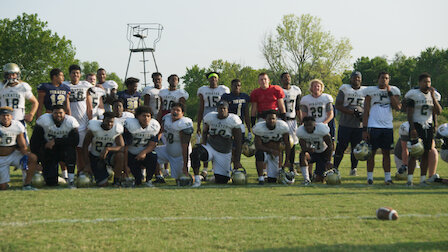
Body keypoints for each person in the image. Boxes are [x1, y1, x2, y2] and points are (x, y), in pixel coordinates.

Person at [190, 100, 242, 187]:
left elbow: (238, 141)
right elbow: (205, 131)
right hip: (210, 147)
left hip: (224, 151)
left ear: (227, 109)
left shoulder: (233, 120)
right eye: (220, 108)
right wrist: (203, 142)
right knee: (196, 152)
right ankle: (197, 179)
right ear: (217, 109)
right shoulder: (210, 117)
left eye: (224, 108)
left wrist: (237, 160)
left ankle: (209, 177)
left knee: (222, 180)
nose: (222, 110)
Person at [362, 71, 401, 185]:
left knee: (386, 153)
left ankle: (387, 178)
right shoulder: (371, 91)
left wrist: (389, 93)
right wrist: (364, 129)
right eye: (382, 78)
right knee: (371, 153)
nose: (384, 80)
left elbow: (397, 106)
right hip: (373, 125)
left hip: (387, 126)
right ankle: (370, 177)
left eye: (386, 78)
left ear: (389, 80)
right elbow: (366, 110)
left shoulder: (393, 91)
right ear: (378, 79)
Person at [404, 72, 442, 186]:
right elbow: (409, 113)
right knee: (414, 153)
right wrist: (412, 128)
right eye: (425, 82)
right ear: (420, 83)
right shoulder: (413, 94)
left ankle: (422, 179)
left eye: (429, 82)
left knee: (426, 153)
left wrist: (435, 125)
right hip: (417, 125)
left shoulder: (434, 95)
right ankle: (409, 180)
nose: (427, 84)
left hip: (428, 125)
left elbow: (438, 111)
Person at [30, 105, 79, 188]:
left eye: (60, 113)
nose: (58, 115)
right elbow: (35, 141)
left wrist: (56, 141)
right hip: (50, 151)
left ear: (65, 113)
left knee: (71, 151)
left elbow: (75, 141)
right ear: (51, 113)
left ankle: (71, 180)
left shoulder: (70, 121)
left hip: (64, 150)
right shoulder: (44, 120)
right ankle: (54, 178)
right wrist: (37, 161)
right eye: (55, 113)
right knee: (51, 183)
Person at [196, 72, 229, 178]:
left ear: (218, 79)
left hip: (220, 119)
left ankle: (217, 167)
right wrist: (198, 124)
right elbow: (201, 108)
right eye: (211, 78)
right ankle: (205, 169)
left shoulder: (223, 89)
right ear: (208, 80)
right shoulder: (203, 90)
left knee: (219, 142)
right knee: (205, 143)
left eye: (215, 77)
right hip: (207, 118)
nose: (213, 79)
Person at [333, 71, 366, 176]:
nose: (356, 80)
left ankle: (353, 168)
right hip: (345, 124)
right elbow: (338, 105)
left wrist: (363, 115)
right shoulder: (345, 89)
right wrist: (352, 112)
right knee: (341, 147)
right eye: (354, 78)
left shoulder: (365, 91)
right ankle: (335, 168)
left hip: (358, 125)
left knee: (356, 148)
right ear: (350, 79)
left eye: (358, 78)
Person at [64, 64, 93, 175]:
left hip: (83, 121)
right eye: (73, 73)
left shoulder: (85, 85)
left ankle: (83, 170)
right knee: (74, 149)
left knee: (83, 149)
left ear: (80, 74)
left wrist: (90, 121)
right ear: (69, 74)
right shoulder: (65, 85)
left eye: (77, 73)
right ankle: (74, 171)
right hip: (70, 121)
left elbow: (89, 105)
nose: (75, 75)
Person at [0, 107, 38, 190]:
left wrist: (25, 155)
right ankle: (4, 184)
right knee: (2, 188)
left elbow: (22, 144)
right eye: (3, 115)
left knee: (32, 158)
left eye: (7, 115)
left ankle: (27, 184)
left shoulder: (17, 125)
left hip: (13, 154)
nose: (6, 118)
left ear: (11, 116)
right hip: (1, 158)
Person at [82, 112, 125, 187]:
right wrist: (87, 164)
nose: (109, 124)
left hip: (108, 156)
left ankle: (116, 181)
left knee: (120, 155)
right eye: (107, 121)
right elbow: (85, 146)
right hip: (96, 157)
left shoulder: (116, 129)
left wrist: (108, 149)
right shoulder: (94, 129)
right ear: (103, 120)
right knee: (103, 184)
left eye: (111, 122)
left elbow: (122, 147)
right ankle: (107, 172)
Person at [155, 103, 193, 182]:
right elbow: (160, 131)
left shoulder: (184, 123)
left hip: (180, 155)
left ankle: (196, 177)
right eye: (173, 109)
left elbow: (185, 146)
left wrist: (185, 166)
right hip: (168, 149)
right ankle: (158, 176)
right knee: (151, 154)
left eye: (178, 110)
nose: (175, 112)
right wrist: (155, 143)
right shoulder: (167, 118)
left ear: (182, 113)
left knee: (181, 179)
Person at [123, 106, 160, 187]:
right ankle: (134, 178)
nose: (146, 118)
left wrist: (143, 152)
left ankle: (148, 180)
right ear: (137, 117)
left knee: (153, 156)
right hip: (131, 154)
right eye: (143, 116)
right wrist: (125, 166)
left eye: (148, 116)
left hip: (145, 153)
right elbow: (125, 147)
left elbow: (153, 144)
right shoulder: (130, 125)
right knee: (138, 181)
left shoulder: (154, 126)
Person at [0, 63, 39, 139]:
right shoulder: (1, 86)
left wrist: (31, 114)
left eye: (13, 74)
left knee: (23, 145)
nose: (11, 77)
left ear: (17, 74)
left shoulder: (23, 86)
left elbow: (35, 102)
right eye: (9, 74)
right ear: (5, 75)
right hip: (4, 121)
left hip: (19, 119)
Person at [252, 110, 291, 185]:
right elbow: (258, 146)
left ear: (277, 119)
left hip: (275, 154)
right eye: (269, 119)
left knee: (272, 180)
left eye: (273, 119)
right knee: (259, 153)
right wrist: (270, 150)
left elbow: (287, 144)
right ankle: (261, 178)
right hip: (265, 152)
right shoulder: (259, 127)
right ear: (265, 119)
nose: (271, 121)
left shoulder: (282, 126)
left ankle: (269, 176)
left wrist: (286, 160)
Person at [297, 116, 333, 184]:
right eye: (306, 125)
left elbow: (330, 145)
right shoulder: (301, 132)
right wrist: (308, 149)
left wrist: (328, 160)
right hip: (312, 153)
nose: (308, 127)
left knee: (319, 180)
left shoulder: (322, 129)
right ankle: (306, 179)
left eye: (310, 125)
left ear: (315, 124)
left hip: (323, 153)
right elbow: (303, 148)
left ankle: (316, 174)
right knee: (303, 155)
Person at [280, 72, 302, 165]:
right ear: (281, 80)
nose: (287, 79)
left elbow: (297, 107)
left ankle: (291, 165)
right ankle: (281, 165)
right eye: (285, 77)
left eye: (288, 77)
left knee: (292, 144)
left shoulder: (296, 90)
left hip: (292, 120)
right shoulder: (279, 90)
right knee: (281, 144)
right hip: (281, 120)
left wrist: (301, 120)